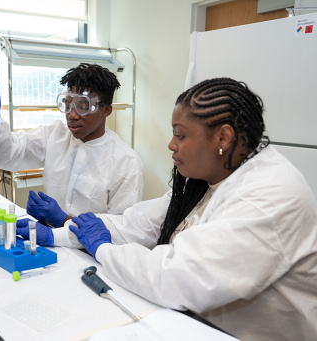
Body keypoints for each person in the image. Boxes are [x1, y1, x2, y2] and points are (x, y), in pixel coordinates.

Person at [17, 78, 317, 341]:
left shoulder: (268, 195)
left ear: (223, 138)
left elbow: (177, 278)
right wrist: (57, 235)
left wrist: (103, 249)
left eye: (181, 135)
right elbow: (140, 224)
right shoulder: (207, 178)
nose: (171, 145)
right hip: (200, 323)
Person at [0, 63, 143, 226]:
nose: (72, 115)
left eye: (84, 107)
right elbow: (4, 154)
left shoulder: (126, 161)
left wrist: (64, 220)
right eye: (68, 105)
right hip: (50, 243)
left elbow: (121, 229)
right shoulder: (54, 136)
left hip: (91, 253)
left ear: (106, 110)